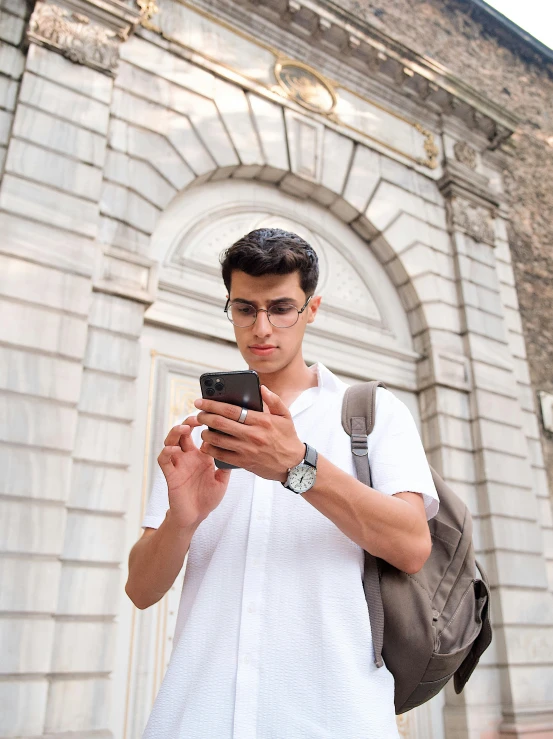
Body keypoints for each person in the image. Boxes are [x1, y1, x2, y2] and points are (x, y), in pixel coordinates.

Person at [126, 228, 439, 739]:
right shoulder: (204, 431)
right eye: (245, 308)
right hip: (197, 716)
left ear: (311, 309)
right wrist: (182, 520)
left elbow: (411, 546)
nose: (261, 327)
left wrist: (298, 465)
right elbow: (140, 589)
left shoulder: (371, 414)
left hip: (335, 718)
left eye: (282, 307)